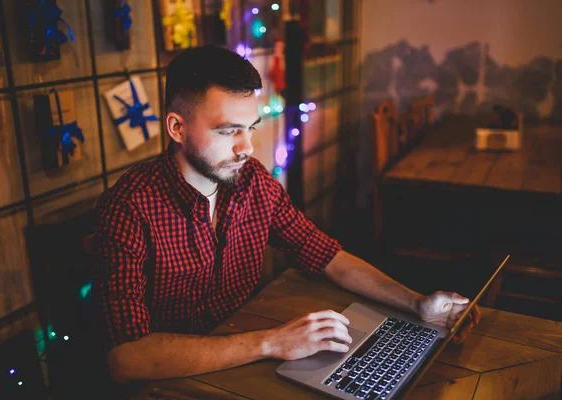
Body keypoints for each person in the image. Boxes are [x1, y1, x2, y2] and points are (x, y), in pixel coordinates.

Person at [91, 45, 480, 384]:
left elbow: (327, 256)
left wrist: (416, 304)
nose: (247, 147)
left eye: (251, 128)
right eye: (229, 131)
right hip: (173, 383)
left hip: (246, 363)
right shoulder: (128, 208)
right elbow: (125, 359)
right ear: (177, 127)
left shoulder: (252, 182)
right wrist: (272, 342)